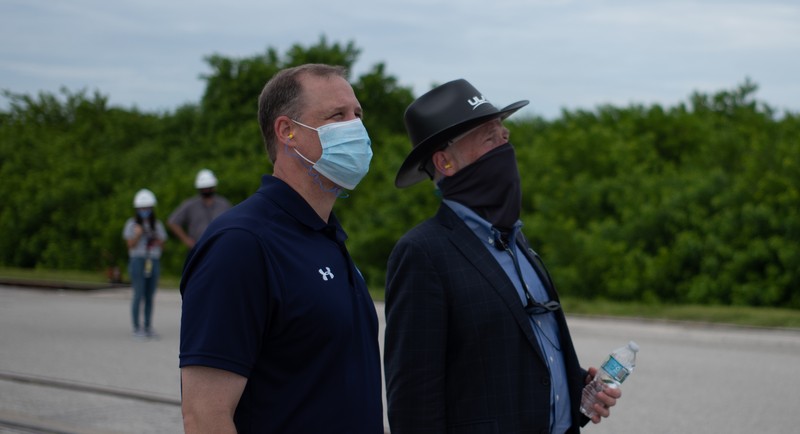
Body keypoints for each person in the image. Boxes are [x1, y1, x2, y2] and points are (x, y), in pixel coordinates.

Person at [383, 79, 622, 433]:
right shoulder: (422, 253)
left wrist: (576, 392)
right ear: (445, 161)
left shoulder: (515, 240)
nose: (504, 148)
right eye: (490, 139)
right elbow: (414, 404)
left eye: (504, 137)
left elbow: (512, 354)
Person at [179, 64, 383, 434]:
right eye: (337, 115)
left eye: (358, 115)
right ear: (287, 131)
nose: (356, 128)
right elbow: (205, 416)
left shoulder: (327, 237)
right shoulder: (241, 244)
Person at [123, 188, 168, 338]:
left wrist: (156, 239)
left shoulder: (157, 225)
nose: (145, 210)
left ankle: (148, 327)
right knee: (138, 294)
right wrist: (138, 234)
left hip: (153, 260)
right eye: (142, 208)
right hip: (138, 260)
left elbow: (163, 244)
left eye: (147, 208)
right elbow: (130, 245)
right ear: (137, 209)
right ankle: (137, 328)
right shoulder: (131, 224)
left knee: (150, 295)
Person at [167, 169, 232, 249]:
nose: (207, 190)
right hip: (198, 247)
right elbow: (173, 222)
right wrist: (186, 240)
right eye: (204, 188)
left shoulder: (223, 204)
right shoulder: (190, 204)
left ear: (214, 187)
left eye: (209, 187)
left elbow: (232, 223)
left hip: (220, 246)